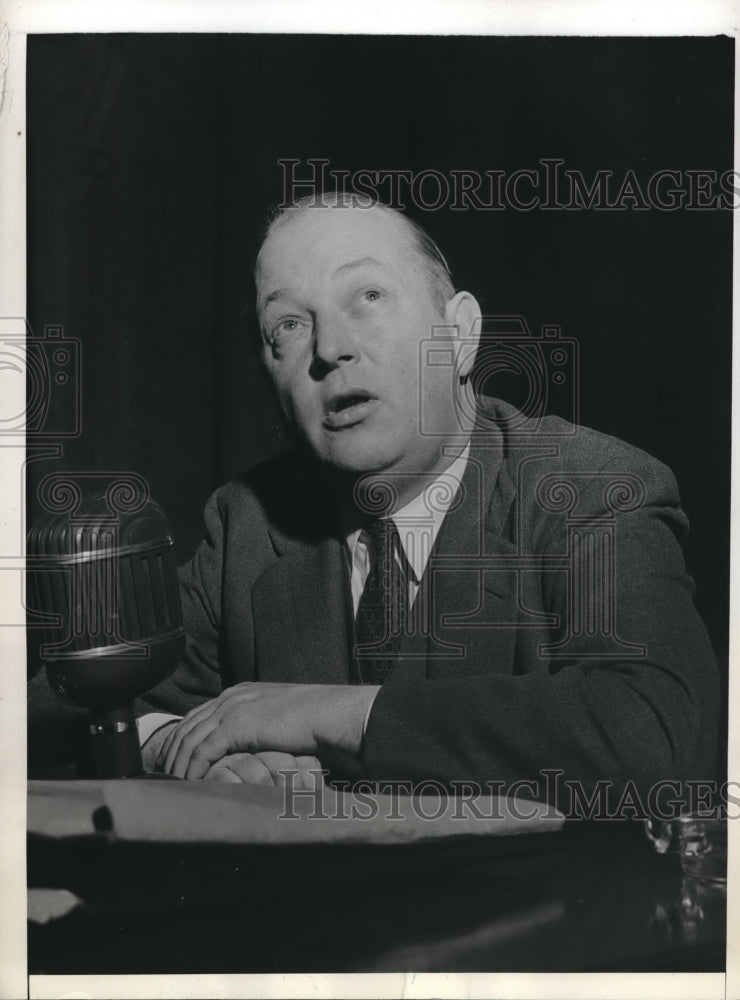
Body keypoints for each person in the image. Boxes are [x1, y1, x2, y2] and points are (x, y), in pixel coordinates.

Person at [30, 193, 721, 811]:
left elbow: (661, 736)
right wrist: (182, 747)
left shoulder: (590, 486)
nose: (330, 349)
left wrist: (334, 715)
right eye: (289, 328)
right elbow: (67, 705)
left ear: (461, 334)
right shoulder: (246, 523)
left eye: (368, 296)